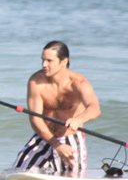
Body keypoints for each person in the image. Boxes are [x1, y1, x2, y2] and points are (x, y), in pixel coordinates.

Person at [13, 41, 101, 172]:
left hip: (70, 140)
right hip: (44, 137)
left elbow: (94, 109)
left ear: (64, 61)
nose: (44, 65)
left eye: (49, 61)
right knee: (17, 174)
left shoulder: (79, 83)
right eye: (42, 60)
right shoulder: (36, 81)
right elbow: (35, 119)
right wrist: (56, 144)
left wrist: (79, 119)